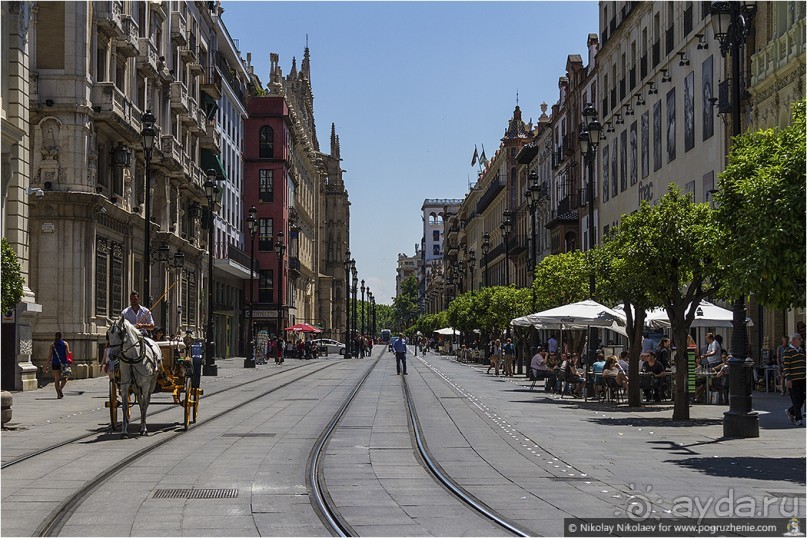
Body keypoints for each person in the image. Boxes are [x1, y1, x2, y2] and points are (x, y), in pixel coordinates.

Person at [783, 333, 805, 426]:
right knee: (796, 399)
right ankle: (798, 418)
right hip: (793, 379)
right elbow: (786, 366)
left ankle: (790, 411)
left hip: (802, 379)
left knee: (802, 398)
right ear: (794, 340)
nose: (801, 340)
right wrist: (788, 379)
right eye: (799, 339)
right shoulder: (788, 351)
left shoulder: (801, 350)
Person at [49, 332, 71, 399]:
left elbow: (49, 356)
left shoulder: (52, 345)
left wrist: (46, 365)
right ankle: (60, 389)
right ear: (61, 336)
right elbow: (67, 353)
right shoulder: (65, 344)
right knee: (65, 377)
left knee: (57, 379)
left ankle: (58, 394)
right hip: (64, 363)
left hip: (55, 363)